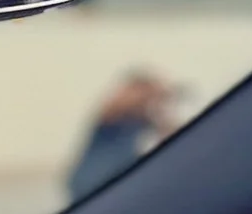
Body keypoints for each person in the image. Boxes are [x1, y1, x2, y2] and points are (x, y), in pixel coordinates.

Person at [67, 69, 182, 202]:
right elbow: (120, 106)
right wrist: (154, 93)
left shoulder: (143, 116)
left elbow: (171, 134)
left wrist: (163, 104)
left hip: (117, 179)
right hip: (93, 180)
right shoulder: (114, 108)